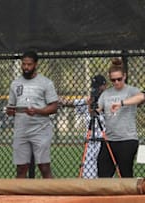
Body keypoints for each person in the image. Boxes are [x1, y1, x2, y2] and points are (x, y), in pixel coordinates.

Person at [6, 51, 58, 179]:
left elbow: (54, 107)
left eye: (29, 64)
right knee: (21, 168)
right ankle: (20, 198)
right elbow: (11, 106)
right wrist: (10, 111)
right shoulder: (15, 83)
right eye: (23, 64)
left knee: (44, 166)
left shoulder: (46, 83)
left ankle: (52, 197)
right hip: (21, 130)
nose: (26, 67)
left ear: (36, 64)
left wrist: (37, 111)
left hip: (40, 130)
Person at [96, 58, 140, 178]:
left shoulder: (131, 90)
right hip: (110, 139)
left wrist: (122, 103)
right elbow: (97, 109)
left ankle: (128, 196)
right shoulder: (106, 93)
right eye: (113, 80)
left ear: (124, 76)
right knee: (103, 171)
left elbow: (141, 97)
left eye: (119, 79)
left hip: (127, 139)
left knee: (125, 173)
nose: (116, 82)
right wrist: (92, 106)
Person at [59, 75, 107, 179]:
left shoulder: (110, 100)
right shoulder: (89, 101)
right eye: (95, 87)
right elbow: (70, 103)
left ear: (105, 86)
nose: (97, 90)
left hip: (105, 141)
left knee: (105, 174)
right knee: (88, 174)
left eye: (99, 87)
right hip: (90, 142)